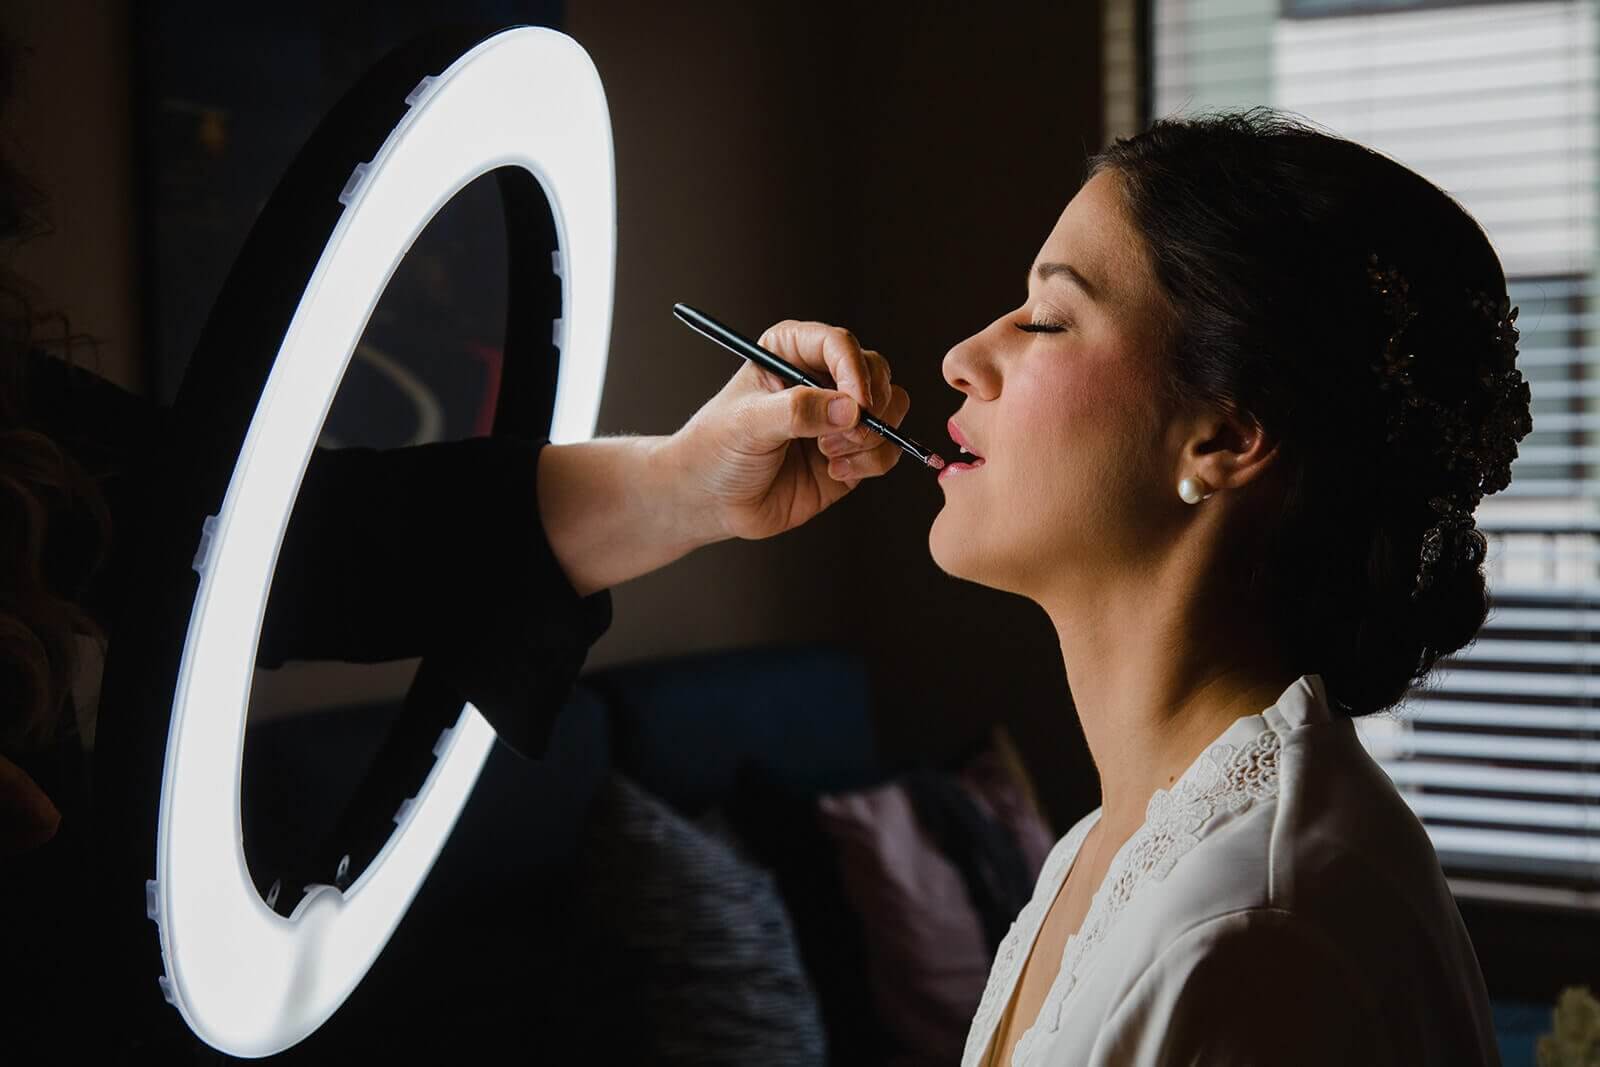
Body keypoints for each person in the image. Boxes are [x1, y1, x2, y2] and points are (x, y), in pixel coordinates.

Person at [760, 109, 1528, 1065]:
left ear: (1226, 436)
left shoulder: (1255, 930)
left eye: (1046, 318)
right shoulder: (1103, 842)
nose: (961, 358)